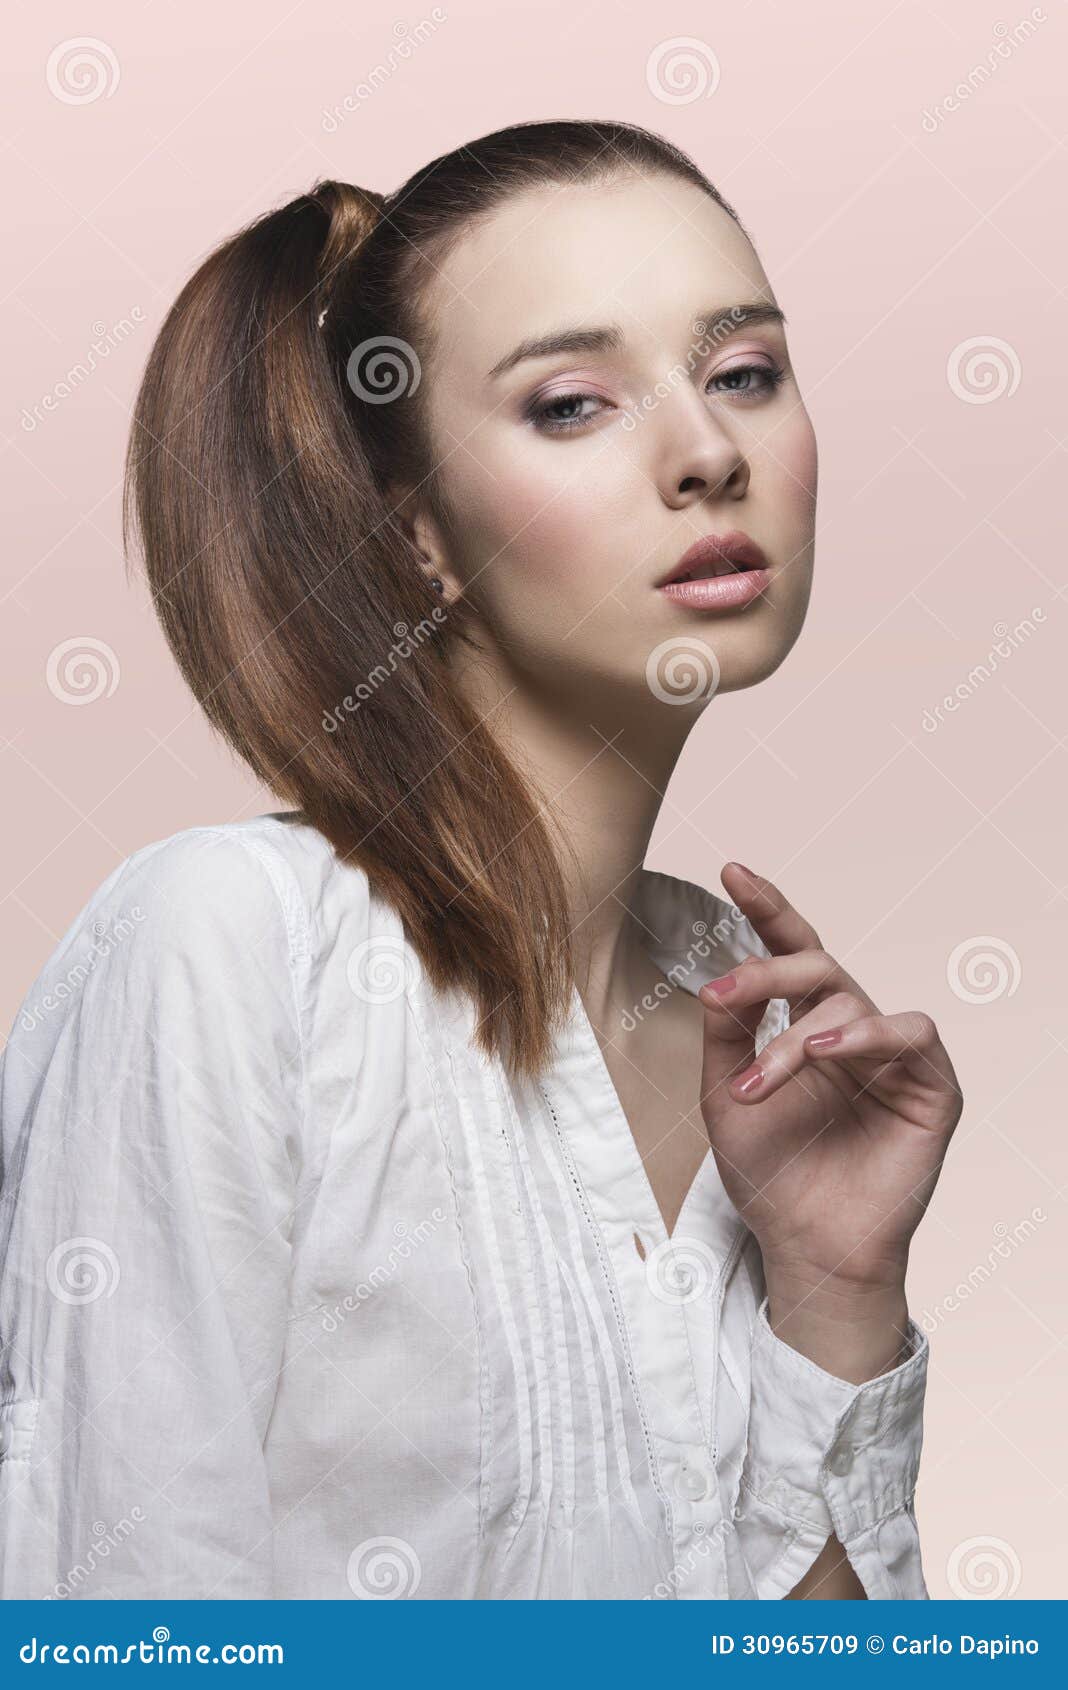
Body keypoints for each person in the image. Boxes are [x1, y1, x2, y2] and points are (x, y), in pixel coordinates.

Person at [0, 119, 962, 1600]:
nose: (707, 452)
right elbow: (120, 1616)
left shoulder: (734, 998)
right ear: (418, 536)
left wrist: (838, 1294)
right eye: (573, 403)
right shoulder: (232, 945)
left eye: (745, 372)